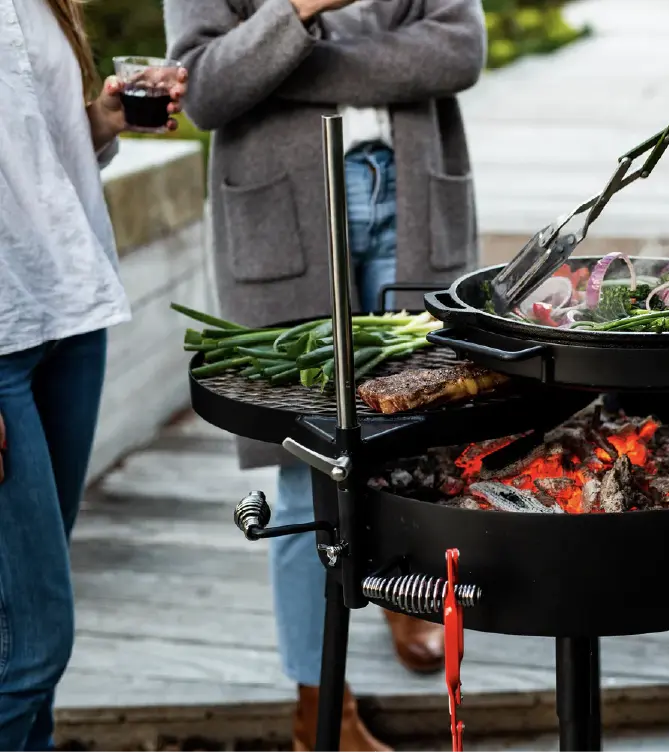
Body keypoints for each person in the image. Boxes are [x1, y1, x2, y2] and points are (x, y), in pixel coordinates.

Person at [164, 1, 485, 750]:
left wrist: (292, 59)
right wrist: (303, 9)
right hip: (285, 211)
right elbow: (204, 88)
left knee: (422, 429)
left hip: (408, 194)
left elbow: (460, 49)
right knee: (303, 463)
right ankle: (321, 709)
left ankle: (409, 597)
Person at [0, 1, 188, 749]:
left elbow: (32, 152)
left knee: (19, 631)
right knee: (32, 642)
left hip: (66, 321)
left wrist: (103, 122)